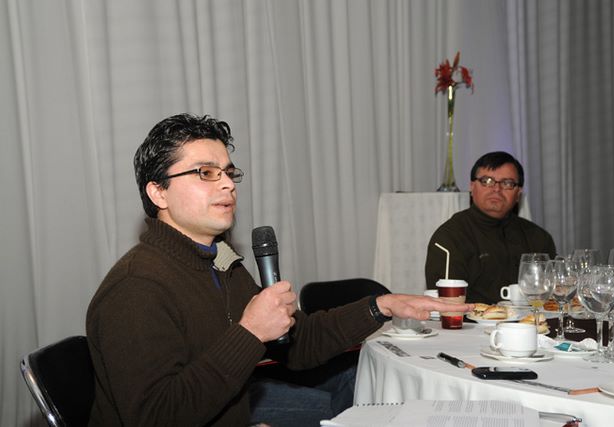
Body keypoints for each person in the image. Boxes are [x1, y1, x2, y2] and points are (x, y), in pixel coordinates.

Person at [86, 113, 474, 427]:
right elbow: (155, 416)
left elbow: (299, 344)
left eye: (229, 172)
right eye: (206, 173)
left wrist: (382, 305)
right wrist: (250, 332)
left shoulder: (218, 263)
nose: (227, 184)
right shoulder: (136, 288)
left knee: (371, 394)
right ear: (158, 192)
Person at [425, 151, 556, 304]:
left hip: (532, 319)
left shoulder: (538, 238)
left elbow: (552, 297)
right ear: (472, 187)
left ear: (518, 193)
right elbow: (446, 306)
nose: (496, 189)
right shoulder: (451, 237)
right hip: (471, 319)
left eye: (507, 183)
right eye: (487, 181)